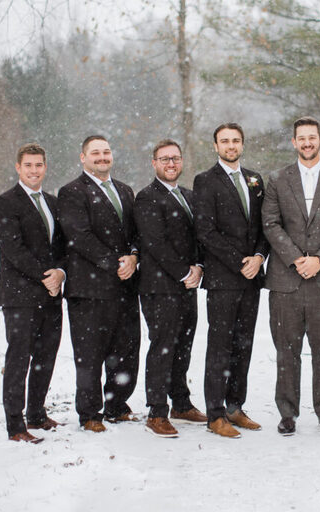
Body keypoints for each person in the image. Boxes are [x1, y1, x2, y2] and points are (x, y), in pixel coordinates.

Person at [262, 116, 320, 436]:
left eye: (312, 137)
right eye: (301, 138)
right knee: (286, 352)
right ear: (293, 142)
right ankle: (287, 414)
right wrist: (295, 259)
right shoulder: (277, 179)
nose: (307, 143)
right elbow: (271, 223)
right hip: (285, 282)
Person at [58, 135, 141, 433]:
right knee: (90, 353)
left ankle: (117, 405)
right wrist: (115, 263)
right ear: (83, 158)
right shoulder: (71, 192)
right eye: (95, 153)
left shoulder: (125, 190)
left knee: (126, 350)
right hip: (89, 288)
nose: (102, 157)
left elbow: (136, 232)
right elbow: (79, 236)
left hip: (125, 285)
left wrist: (134, 256)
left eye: (106, 152)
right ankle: (90, 413)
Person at [193, 123, 269, 438]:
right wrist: (240, 263)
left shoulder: (255, 179)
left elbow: (264, 225)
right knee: (220, 346)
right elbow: (206, 231)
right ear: (216, 146)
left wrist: (259, 257)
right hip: (224, 278)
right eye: (225, 141)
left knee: (244, 345)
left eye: (236, 140)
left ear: (242, 144)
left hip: (252, 279)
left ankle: (235, 406)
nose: (231, 145)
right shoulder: (205, 181)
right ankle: (215, 414)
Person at [0, 143, 66, 443]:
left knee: (46, 356)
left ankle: (36, 413)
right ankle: (15, 424)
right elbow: (13, 250)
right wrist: (45, 276)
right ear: (18, 168)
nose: (34, 170)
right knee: (19, 359)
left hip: (51, 293)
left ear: (45, 167)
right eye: (28, 165)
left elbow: (64, 245)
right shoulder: (5, 203)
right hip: (20, 295)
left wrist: (60, 272)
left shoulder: (53, 202)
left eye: (38, 165)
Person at [134, 139, 208, 439]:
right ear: (154, 163)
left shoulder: (190, 196)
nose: (171, 164)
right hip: (159, 287)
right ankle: (156, 411)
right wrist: (184, 273)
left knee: (183, 346)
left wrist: (199, 267)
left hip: (187, 286)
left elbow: (200, 237)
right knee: (163, 347)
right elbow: (156, 242)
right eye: (164, 159)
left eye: (175, 158)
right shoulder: (147, 197)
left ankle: (181, 403)